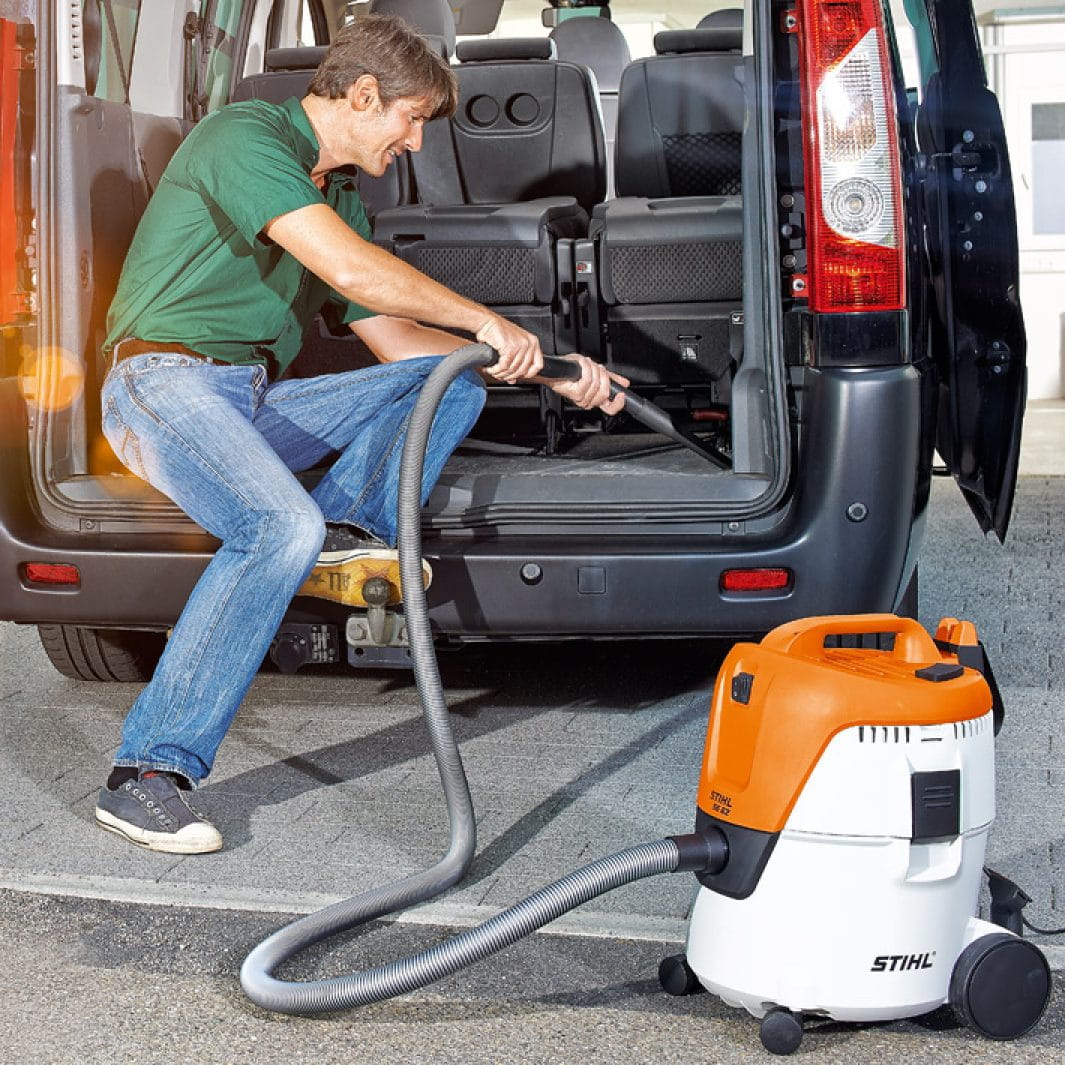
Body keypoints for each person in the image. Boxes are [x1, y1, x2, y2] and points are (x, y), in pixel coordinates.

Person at [93, 15, 626, 855]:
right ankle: (145, 774)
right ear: (364, 94)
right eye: (410, 119)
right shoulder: (243, 136)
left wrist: (548, 368)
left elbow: (399, 342)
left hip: (249, 400)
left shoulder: (337, 196)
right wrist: (486, 319)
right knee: (277, 525)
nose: (414, 143)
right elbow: (348, 270)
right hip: (159, 386)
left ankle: (348, 529)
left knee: (445, 381)